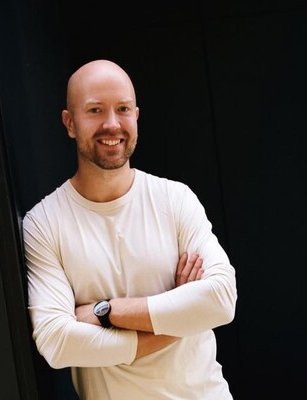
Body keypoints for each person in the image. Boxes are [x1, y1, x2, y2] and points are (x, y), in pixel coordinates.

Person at [23, 59, 237, 399]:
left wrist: (105, 312)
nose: (112, 124)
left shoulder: (174, 199)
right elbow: (57, 342)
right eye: (95, 110)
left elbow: (221, 300)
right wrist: (178, 319)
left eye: (123, 109)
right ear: (70, 123)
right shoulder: (43, 222)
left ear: (136, 116)